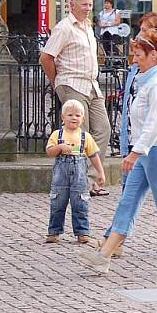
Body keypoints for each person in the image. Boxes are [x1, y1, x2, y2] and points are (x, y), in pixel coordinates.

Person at [80, 29, 157, 279]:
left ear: (153, 55)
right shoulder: (148, 81)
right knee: (128, 203)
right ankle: (103, 257)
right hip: (147, 153)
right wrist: (137, 154)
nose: (134, 60)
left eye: (138, 55)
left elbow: (154, 125)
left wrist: (135, 154)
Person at [40, 0, 112, 197]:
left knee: (103, 129)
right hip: (72, 83)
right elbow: (46, 57)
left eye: (90, 4)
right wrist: (57, 83)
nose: (88, 8)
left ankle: (90, 180)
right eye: (84, 4)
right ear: (72, 5)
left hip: (91, 84)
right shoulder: (64, 27)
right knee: (82, 132)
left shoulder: (88, 26)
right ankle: (81, 183)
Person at [45, 99, 105, 245]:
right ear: (63, 117)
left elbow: (93, 155)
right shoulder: (57, 134)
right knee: (58, 202)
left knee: (80, 203)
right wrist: (59, 147)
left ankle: (82, 232)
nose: (74, 118)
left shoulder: (86, 137)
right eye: (70, 115)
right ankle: (54, 231)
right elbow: (49, 152)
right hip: (61, 176)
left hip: (79, 176)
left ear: (82, 119)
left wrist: (100, 172)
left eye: (78, 115)